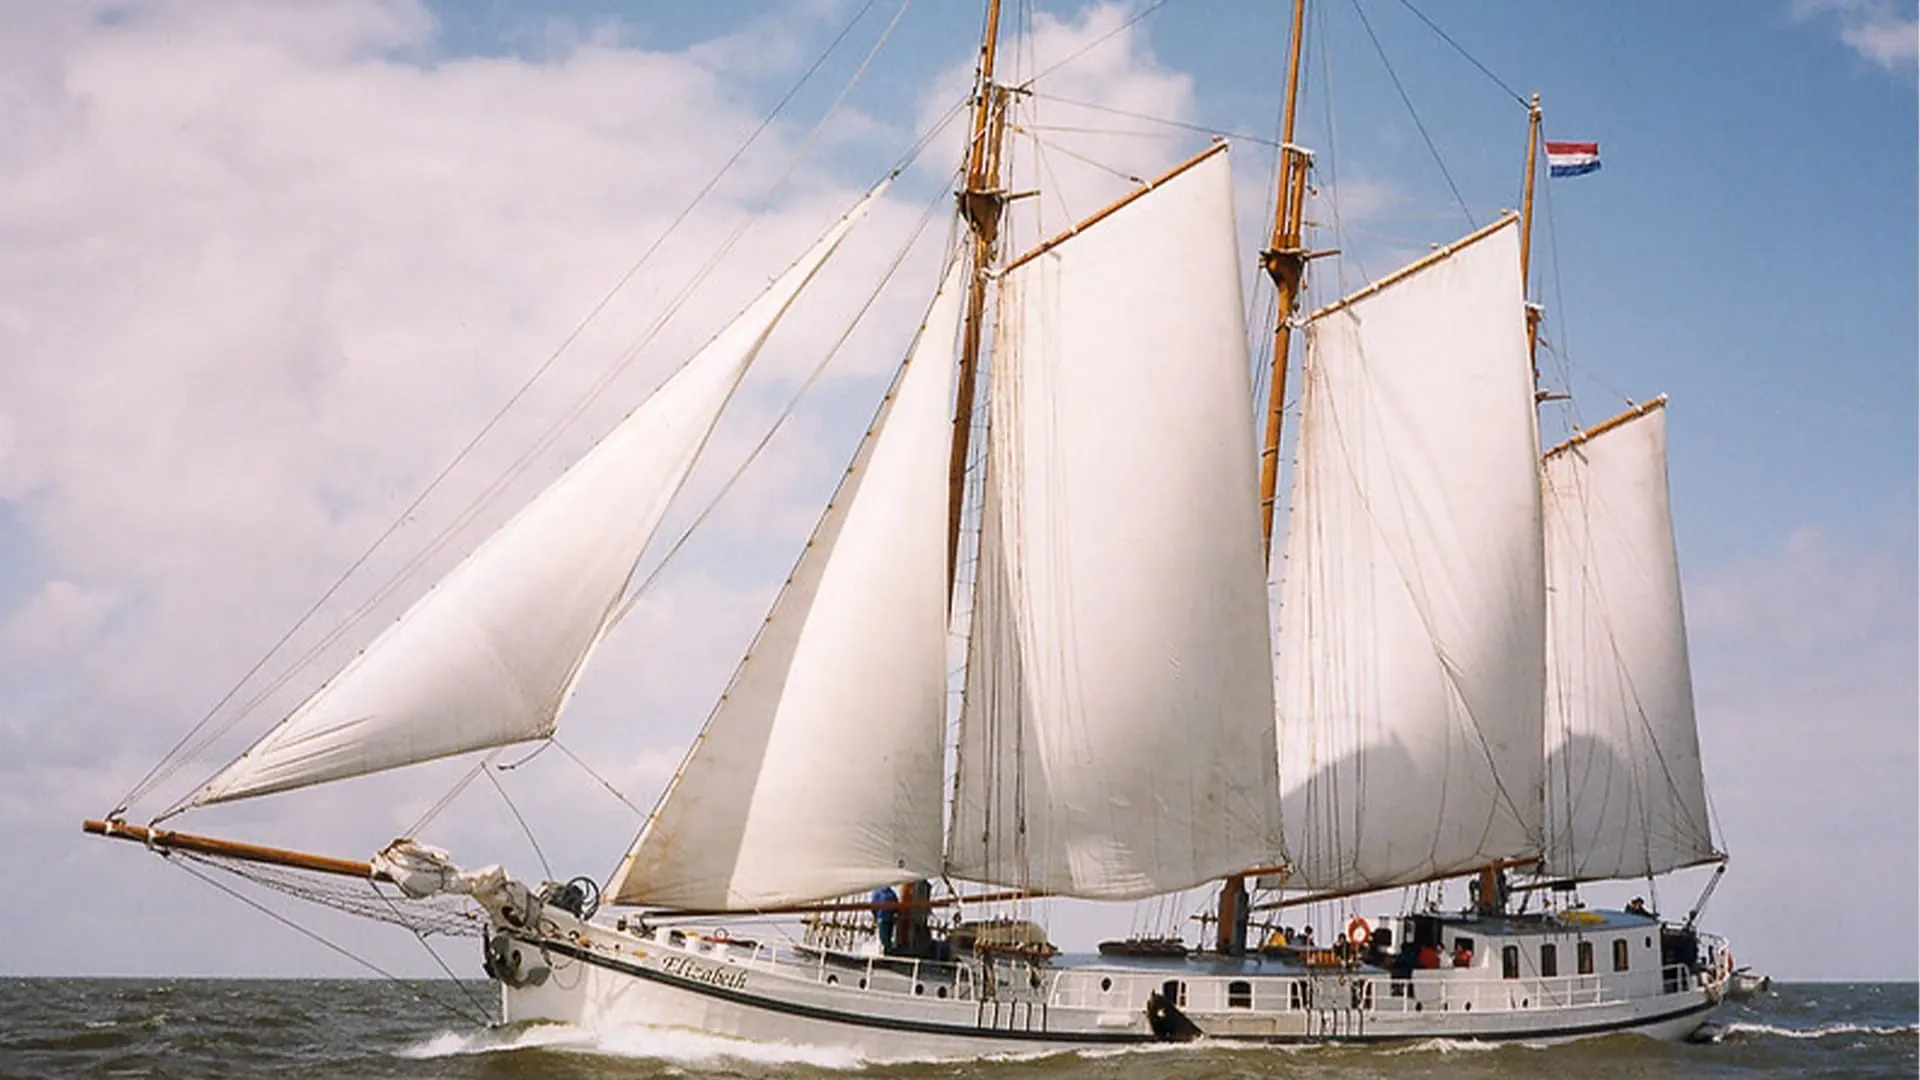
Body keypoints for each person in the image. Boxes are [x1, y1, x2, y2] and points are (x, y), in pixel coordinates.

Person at [871, 885, 898, 954]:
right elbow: (896, 906)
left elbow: (873, 906)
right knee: (887, 937)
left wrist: (875, 917)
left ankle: (889, 952)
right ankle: (888, 952)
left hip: (882, 917)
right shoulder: (891, 893)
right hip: (889, 918)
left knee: (884, 938)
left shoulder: (877, 892)